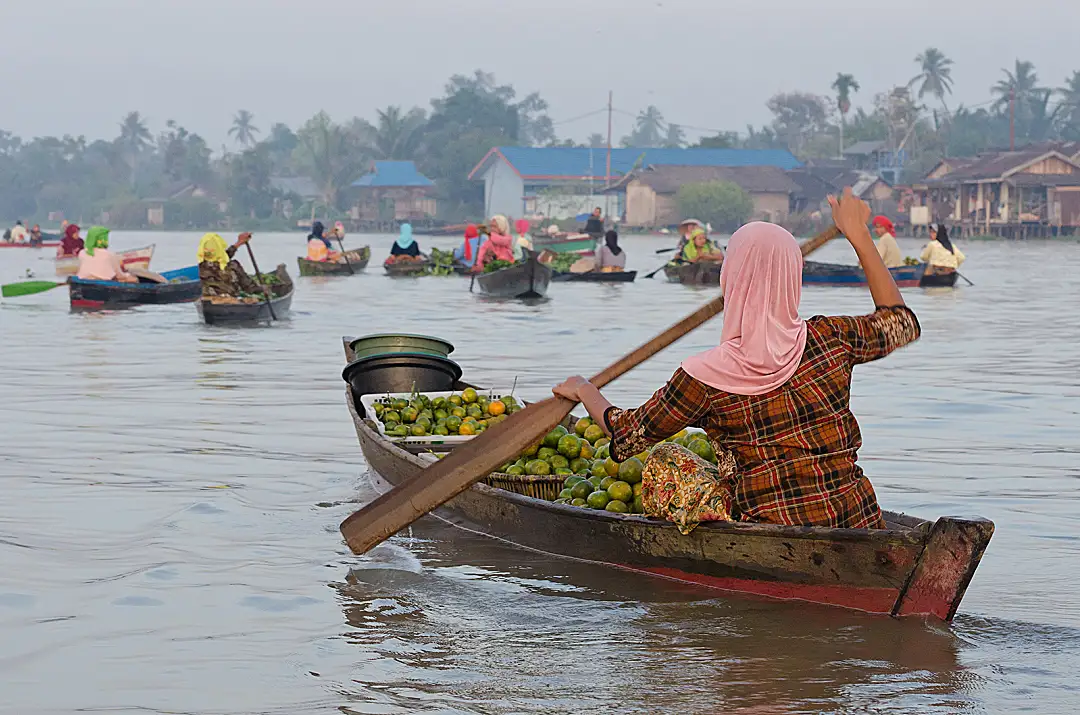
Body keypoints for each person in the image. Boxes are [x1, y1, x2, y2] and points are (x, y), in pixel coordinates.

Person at [552, 188, 920, 534]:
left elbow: (627, 437)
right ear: (794, 278)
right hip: (857, 518)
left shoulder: (703, 377)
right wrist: (860, 237)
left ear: (730, 278)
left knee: (665, 455)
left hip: (770, 528)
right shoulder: (831, 338)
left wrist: (586, 390)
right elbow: (901, 322)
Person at [198, 232, 263, 297]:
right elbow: (249, 288)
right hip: (228, 299)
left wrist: (239, 243)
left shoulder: (203, 264)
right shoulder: (232, 265)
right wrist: (262, 289)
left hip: (208, 297)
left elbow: (224, 256)